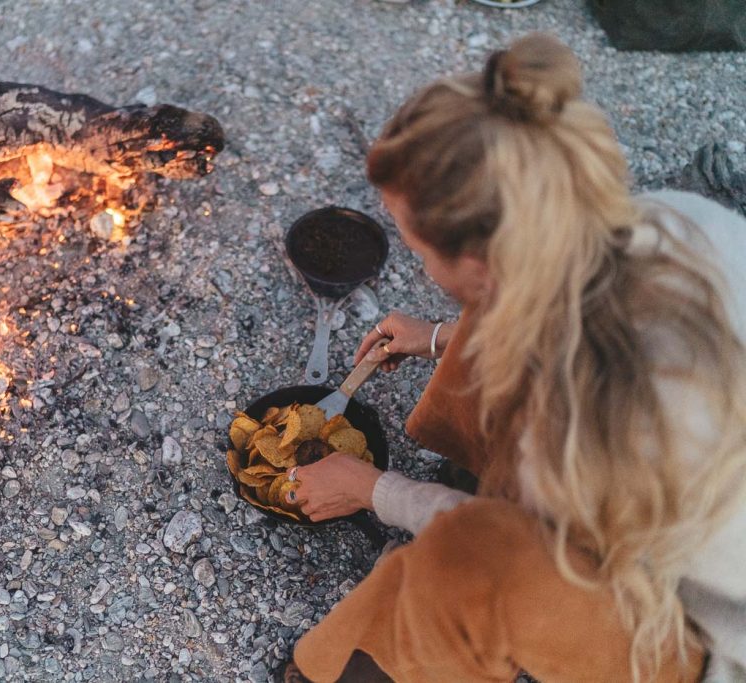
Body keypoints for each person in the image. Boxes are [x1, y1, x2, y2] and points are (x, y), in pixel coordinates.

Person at [283, 33, 746, 683]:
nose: (418, 262)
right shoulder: (667, 219)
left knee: (469, 564)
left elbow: (526, 547)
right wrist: (443, 336)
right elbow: (520, 302)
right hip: (648, 499)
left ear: (476, 262)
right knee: (493, 324)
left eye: (419, 250)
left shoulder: (600, 421)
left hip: (714, 640)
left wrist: (371, 489)